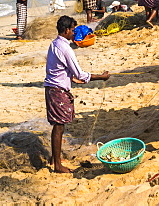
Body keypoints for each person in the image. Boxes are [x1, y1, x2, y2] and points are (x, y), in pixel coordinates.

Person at [44, 15, 110, 172]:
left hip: (53, 87)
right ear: (66, 30)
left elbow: (61, 69)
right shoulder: (65, 48)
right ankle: (58, 165)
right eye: (72, 30)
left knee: (59, 125)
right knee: (59, 127)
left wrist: (72, 78)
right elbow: (80, 74)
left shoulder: (54, 44)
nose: (74, 33)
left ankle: (55, 159)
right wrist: (101, 76)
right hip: (57, 89)